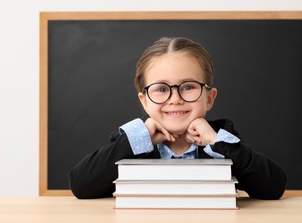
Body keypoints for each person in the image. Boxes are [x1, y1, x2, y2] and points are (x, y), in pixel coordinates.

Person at [69, 37, 287, 199]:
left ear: (209, 98)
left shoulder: (222, 141)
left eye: (188, 87)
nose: (175, 99)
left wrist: (216, 142)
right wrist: (137, 140)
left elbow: (274, 187)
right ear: (144, 101)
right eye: (161, 89)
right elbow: (81, 185)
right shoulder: (132, 143)